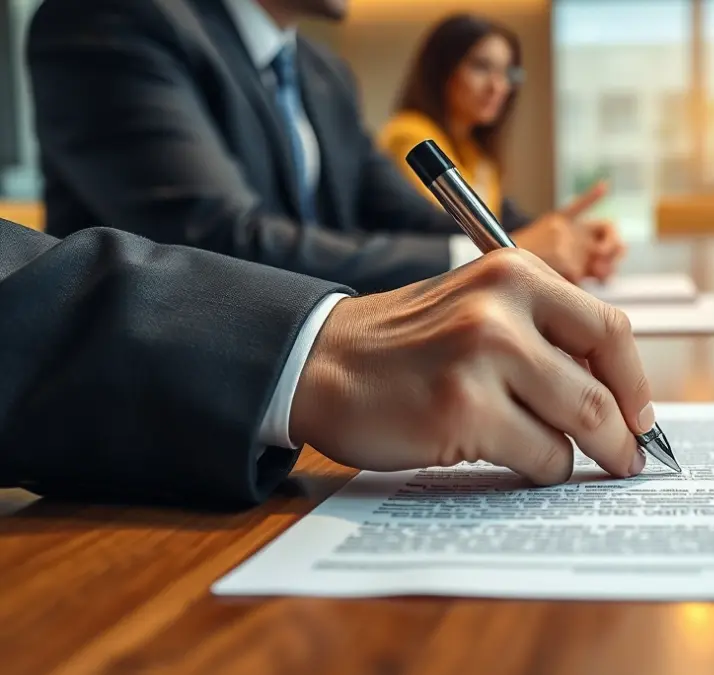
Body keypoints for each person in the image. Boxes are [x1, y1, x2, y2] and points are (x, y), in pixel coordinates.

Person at [0, 220, 656, 509]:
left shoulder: (319, 74)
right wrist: (313, 344)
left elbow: (382, 213)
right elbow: (212, 230)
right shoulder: (126, 17)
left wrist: (517, 253)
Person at [27, 0, 617, 293]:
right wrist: (488, 255)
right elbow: (219, 243)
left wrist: (535, 237)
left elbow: (399, 209)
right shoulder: (113, 20)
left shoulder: (321, 71)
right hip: (160, 423)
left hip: (315, 388)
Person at [378, 13, 624, 281]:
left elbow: (507, 222)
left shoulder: (474, 152)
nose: (498, 86)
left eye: (507, 72)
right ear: (442, 68)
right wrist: (540, 239)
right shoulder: (410, 136)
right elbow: (439, 229)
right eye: (481, 67)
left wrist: (577, 236)